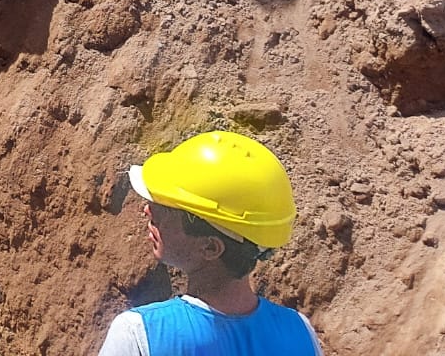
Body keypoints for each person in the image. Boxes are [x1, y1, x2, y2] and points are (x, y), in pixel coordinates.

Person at [98, 131, 323, 356]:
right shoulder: (301, 333)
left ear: (211, 248)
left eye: (166, 207)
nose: (149, 210)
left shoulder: (138, 335)